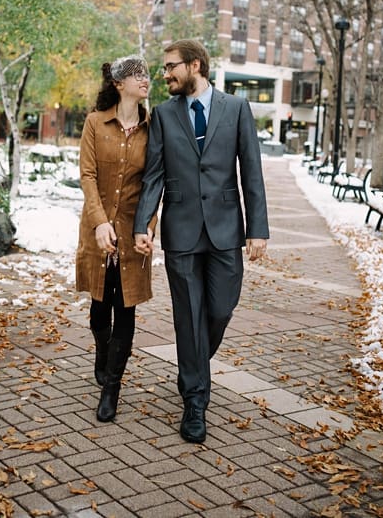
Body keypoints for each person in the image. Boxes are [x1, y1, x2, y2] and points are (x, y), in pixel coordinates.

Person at [133, 39, 269, 444]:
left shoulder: (237, 109)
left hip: (227, 228)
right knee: (187, 316)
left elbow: (252, 172)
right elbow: (154, 173)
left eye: (171, 66)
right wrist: (145, 223)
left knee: (221, 307)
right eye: (164, 68)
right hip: (182, 231)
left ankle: (192, 365)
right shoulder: (162, 114)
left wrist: (257, 229)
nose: (165, 74)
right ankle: (195, 401)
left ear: (195, 66)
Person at [74, 55, 155, 423]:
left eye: (148, 75)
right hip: (99, 228)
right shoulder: (94, 123)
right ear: (120, 84)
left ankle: (112, 389)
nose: (146, 80)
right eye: (138, 74)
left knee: (126, 309)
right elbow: (87, 176)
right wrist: (99, 222)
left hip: (133, 230)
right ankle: (101, 350)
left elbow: (154, 183)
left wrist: (149, 227)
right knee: (99, 306)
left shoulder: (153, 128)